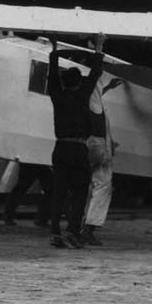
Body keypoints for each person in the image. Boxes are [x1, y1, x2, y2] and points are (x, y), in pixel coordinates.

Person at [47, 33, 104, 248]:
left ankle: (55, 233)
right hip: (78, 148)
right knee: (80, 191)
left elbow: (51, 77)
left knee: (59, 192)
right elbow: (96, 72)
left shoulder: (57, 95)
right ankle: (72, 230)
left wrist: (54, 51)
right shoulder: (82, 95)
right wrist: (99, 47)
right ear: (78, 82)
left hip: (60, 147)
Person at [80, 74, 123, 246]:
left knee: (84, 188)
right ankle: (88, 229)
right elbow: (95, 93)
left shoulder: (78, 100)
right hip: (97, 146)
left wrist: (108, 88)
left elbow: (95, 96)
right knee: (103, 186)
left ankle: (78, 227)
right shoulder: (92, 103)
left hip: (84, 146)